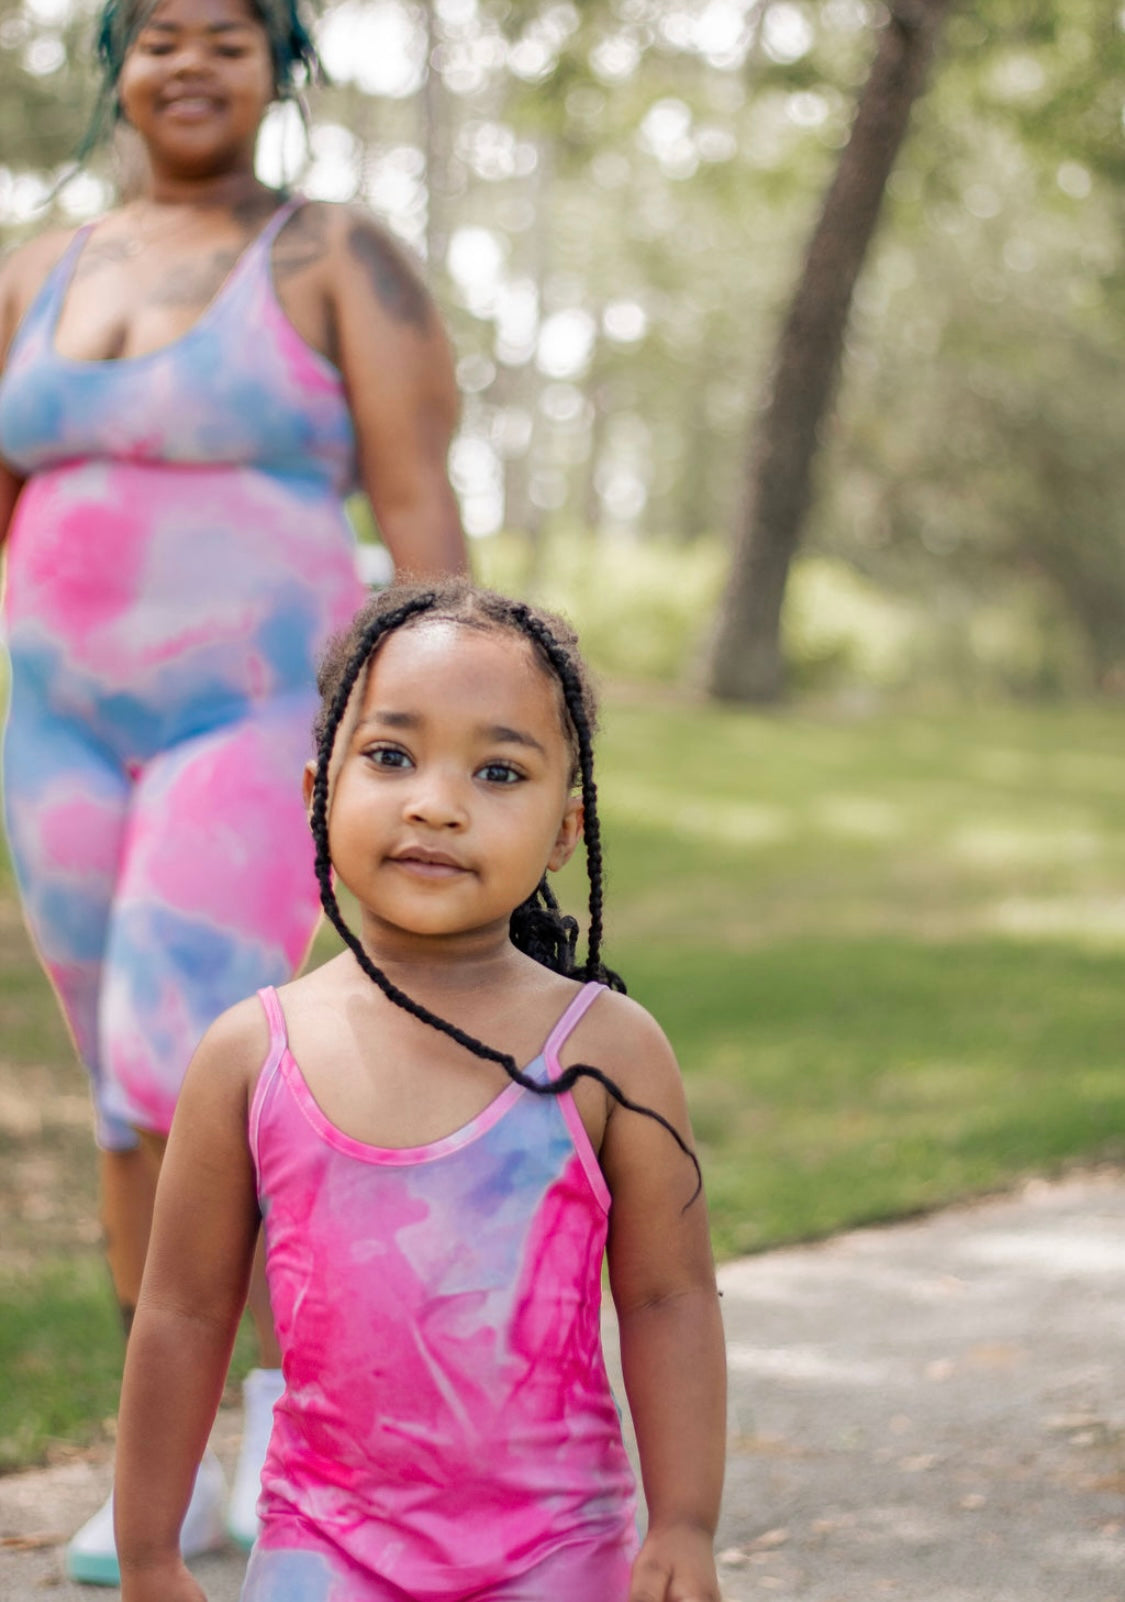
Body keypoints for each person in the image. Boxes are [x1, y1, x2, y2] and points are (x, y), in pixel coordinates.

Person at [0, 0, 467, 1579]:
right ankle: (173, 1458)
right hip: (52, 721)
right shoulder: (34, 266)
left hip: (252, 709)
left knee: (178, 1052)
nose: (190, 64)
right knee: (118, 1094)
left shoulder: (338, 254)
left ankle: (290, 1428)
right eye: (159, 36)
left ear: (281, 70)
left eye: (230, 37)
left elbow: (417, 505)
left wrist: (447, 712)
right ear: (116, 67)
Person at [112, 579, 727, 1602]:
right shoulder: (251, 1056)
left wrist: (686, 1526)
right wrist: (148, 1554)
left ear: (565, 832)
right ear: (318, 790)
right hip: (324, 1552)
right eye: (391, 755)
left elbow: (668, 1299)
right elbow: (181, 1312)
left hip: (560, 1556)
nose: (436, 803)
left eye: (497, 770)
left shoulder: (608, 1051)